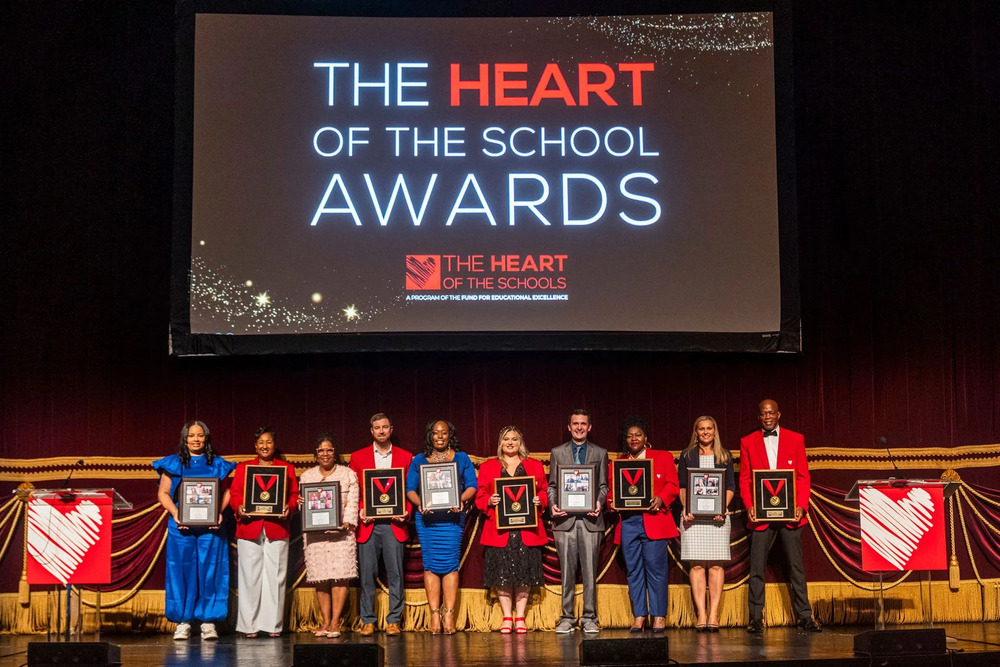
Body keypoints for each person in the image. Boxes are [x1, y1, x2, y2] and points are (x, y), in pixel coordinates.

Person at [739, 399, 822, 633]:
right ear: (759, 416)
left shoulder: (796, 439)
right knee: (756, 568)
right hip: (761, 517)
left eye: (771, 412)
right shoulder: (748, 442)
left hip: (790, 515)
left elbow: (803, 477)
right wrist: (749, 507)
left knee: (796, 567)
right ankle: (755, 618)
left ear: (779, 414)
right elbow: (745, 479)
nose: (767, 416)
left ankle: (805, 616)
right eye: (763, 413)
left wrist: (801, 507)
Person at [154, 421, 236, 641]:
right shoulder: (174, 462)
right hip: (181, 526)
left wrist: (219, 512)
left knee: (211, 571)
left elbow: (229, 491)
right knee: (181, 571)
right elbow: (163, 493)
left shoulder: (218, 464)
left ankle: (209, 621)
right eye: (192, 436)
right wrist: (175, 512)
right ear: (185, 438)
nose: (196, 439)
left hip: (211, 527)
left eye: (200, 435)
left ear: (206, 438)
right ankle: (183, 621)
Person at [406, 419, 478, 634]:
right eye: (436, 433)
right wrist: (420, 503)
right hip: (428, 521)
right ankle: (434, 614)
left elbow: (472, 486)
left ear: (449, 435)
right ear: (430, 435)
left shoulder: (462, 458)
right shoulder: (419, 460)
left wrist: (461, 499)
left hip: (452, 520)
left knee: (450, 565)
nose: (439, 436)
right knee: (430, 565)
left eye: (444, 433)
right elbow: (410, 489)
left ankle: (449, 614)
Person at [475, 426, 549, 634]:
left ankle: (520, 617)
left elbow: (544, 491)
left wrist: (539, 500)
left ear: (520, 442)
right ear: (500, 442)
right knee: (502, 574)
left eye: (514, 439)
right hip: (499, 531)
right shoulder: (489, 467)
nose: (510, 442)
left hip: (527, 530)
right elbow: (479, 495)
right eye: (506, 439)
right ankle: (507, 616)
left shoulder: (533, 465)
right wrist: (489, 500)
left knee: (524, 573)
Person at [609, 415, 679, 633]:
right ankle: (639, 615)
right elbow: (612, 491)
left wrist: (661, 498)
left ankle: (659, 615)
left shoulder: (663, 457)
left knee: (656, 570)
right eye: (630, 436)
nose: (634, 439)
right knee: (634, 571)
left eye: (638, 435)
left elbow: (673, 485)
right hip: (629, 523)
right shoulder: (617, 464)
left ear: (645, 437)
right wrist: (610, 502)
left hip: (655, 521)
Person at [229, 427, 300, 638]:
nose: (265, 446)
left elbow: (294, 495)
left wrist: (289, 507)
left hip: (277, 527)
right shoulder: (243, 468)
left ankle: (273, 625)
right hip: (249, 526)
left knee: (275, 577)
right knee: (249, 577)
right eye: (261, 442)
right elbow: (234, 494)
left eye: (268, 442)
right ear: (255, 446)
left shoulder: (287, 468)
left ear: (274, 445)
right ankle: (249, 625)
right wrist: (239, 507)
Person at [348, 413, 413, 636]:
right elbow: (353, 491)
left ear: (391, 429)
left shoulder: (406, 457)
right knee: (367, 574)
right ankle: (368, 620)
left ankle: (394, 620)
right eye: (377, 428)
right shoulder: (358, 457)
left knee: (395, 574)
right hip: (368, 526)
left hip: (394, 525)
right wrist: (359, 512)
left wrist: (406, 512)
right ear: (372, 431)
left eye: (385, 427)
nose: (382, 431)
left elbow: (410, 490)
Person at [547, 409, 609, 634]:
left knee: (591, 572)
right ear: (569, 426)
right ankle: (567, 617)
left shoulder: (600, 453)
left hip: (591, 521)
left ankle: (590, 617)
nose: (579, 427)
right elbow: (552, 486)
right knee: (567, 573)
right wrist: (553, 504)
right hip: (565, 522)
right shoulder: (557, 452)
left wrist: (600, 502)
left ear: (589, 427)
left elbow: (603, 486)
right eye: (575, 424)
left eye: (583, 423)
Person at [677, 416, 735, 632]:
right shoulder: (687, 455)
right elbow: (683, 486)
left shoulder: (725, 455)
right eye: (701, 429)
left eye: (709, 428)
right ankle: (701, 613)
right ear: (696, 432)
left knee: (717, 565)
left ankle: (714, 614)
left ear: (715, 430)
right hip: (693, 519)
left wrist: (722, 507)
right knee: (698, 565)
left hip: (717, 519)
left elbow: (730, 486)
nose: (705, 432)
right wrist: (686, 507)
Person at [300, 433, 359, 638]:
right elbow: (306, 507)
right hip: (315, 536)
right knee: (321, 578)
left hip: (341, 536)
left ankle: (335, 622)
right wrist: (302, 505)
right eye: (321, 450)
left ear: (335, 453)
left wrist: (345, 524)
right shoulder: (307, 477)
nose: (325, 454)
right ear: (316, 454)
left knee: (339, 577)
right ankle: (325, 621)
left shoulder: (348, 474)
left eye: (329, 450)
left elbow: (353, 502)